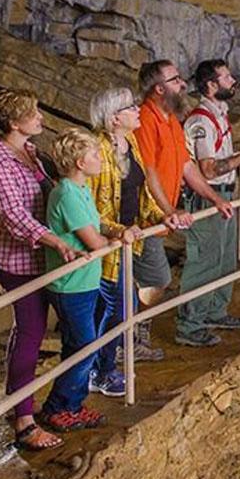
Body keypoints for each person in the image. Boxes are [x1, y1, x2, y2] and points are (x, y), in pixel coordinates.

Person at [0, 89, 80, 451]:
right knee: (30, 333)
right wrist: (57, 241)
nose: (41, 117)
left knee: (31, 332)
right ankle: (24, 421)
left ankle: (22, 402)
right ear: (13, 122)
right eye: (33, 113)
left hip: (43, 260)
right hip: (20, 263)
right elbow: (13, 217)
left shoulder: (31, 153)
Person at [87, 88, 192, 394]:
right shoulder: (97, 150)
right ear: (114, 117)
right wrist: (116, 230)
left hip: (132, 237)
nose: (137, 110)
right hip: (109, 244)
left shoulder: (129, 142)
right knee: (116, 309)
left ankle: (103, 368)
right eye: (130, 107)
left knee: (120, 308)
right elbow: (91, 205)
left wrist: (161, 216)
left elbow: (139, 191)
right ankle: (100, 370)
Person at [132, 59, 235, 347]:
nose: (182, 83)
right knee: (155, 279)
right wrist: (169, 209)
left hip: (161, 214)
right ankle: (133, 339)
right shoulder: (146, 120)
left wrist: (214, 198)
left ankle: (136, 337)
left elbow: (187, 167)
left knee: (150, 279)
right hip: (146, 216)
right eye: (175, 79)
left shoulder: (171, 120)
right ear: (158, 89)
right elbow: (148, 171)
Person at [38, 129, 134, 431]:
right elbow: (93, 241)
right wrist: (112, 240)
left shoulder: (80, 188)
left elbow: (98, 225)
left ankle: (71, 405)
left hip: (84, 281)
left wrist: (117, 232)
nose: (100, 160)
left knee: (79, 346)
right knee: (84, 347)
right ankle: (58, 407)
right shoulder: (66, 193)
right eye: (94, 155)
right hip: (72, 286)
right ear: (80, 162)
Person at [177, 60, 240, 344]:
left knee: (224, 257)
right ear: (211, 85)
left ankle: (215, 311)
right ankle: (189, 326)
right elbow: (207, 169)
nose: (232, 80)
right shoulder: (201, 120)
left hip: (224, 195)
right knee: (204, 261)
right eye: (226, 77)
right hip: (207, 198)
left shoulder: (219, 113)